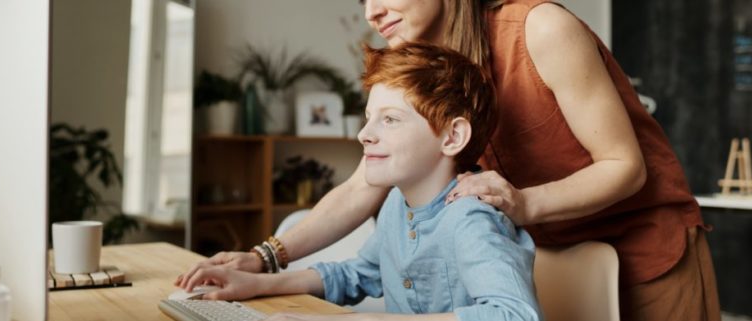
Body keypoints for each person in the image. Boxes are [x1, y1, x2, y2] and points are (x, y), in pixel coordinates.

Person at [179, 1, 720, 320]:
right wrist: (264, 258)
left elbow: (626, 166)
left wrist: (523, 202)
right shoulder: (419, 64)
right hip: (543, 259)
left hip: (647, 256)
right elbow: (362, 186)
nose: (371, 11)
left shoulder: (541, 28)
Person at [178, 42, 542, 321]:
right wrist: (257, 284)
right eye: (369, 118)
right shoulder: (398, 205)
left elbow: (515, 314)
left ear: (451, 137)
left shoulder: (471, 220)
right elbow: (360, 274)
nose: (364, 135)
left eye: (390, 119)